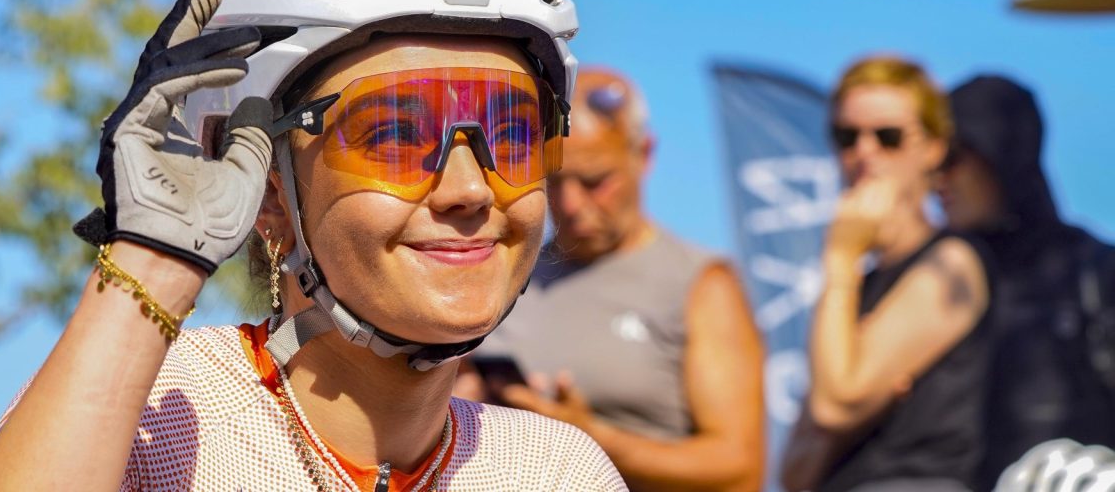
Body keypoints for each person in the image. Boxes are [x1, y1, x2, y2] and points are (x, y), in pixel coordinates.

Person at [0, 0, 627, 490]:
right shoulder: (150, 416)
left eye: (511, 135)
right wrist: (153, 263)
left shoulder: (554, 470)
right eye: (393, 137)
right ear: (273, 194)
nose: (469, 190)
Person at [460, 67, 767, 492]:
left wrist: (589, 437)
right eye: (554, 180)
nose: (569, 204)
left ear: (644, 154)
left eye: (595, 181)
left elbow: (740, 469)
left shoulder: (699, 282)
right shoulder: (504, 268)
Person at [780, 56, 992, 492]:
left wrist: (840, 259)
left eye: (888, 137)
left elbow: (834, 405)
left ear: (933, 148)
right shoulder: (858, 287)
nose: (864, 154)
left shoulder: (953, 262)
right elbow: (793, 471)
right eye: (846, 136)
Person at [935, 75, 1115, 490]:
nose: (937, 178)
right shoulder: (931, 283)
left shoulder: (1092, 269)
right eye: (931, 160)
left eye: (953, 157)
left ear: (1000, 154)